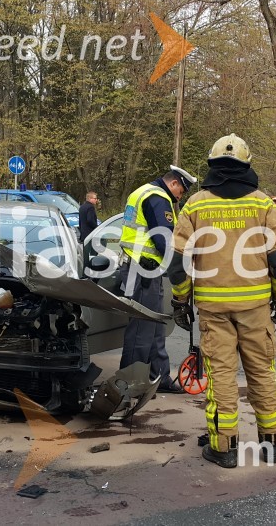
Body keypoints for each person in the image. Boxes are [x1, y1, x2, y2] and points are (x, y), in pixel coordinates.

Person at [168, 133, 276, 468]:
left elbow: (179, 264)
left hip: (213, 310)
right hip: (255, 308)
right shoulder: (264, 204)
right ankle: (273, 443)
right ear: (246, 166)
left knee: (221, 376)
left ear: (212, 166)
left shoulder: (196, 205)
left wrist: (180, 303)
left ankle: (224, 449)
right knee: (262, 372)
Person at [119, 165, 197, 394]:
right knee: (141, 330)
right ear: (174, 183)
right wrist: (181, 270)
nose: (179, 197)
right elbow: (164, 241)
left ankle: (159, 377)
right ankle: (130, 382)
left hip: (144, 269)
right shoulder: (157, 197)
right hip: (142, 269)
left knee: (155, 327)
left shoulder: (143, 192)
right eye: (181, 192)